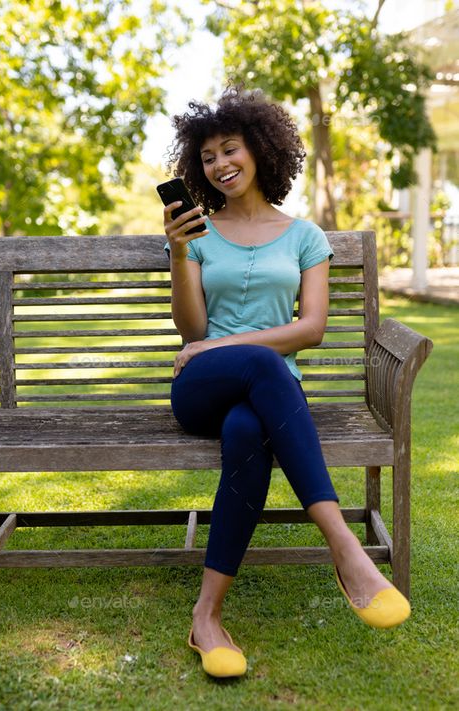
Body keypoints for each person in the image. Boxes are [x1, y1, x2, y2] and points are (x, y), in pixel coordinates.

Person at [162, 85, 410, 678]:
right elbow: (190, 328)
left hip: (268, 394)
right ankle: (346, 551)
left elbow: (312, 329)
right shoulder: (198, 235)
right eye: (207, 157)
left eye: (230, 149)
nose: (220, 164)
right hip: (202, 387)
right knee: (265, 366)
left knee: (250, 430)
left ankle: (206, 616)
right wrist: (176, 256)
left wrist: (216, 342)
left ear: (261, 150)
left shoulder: (305, 237)